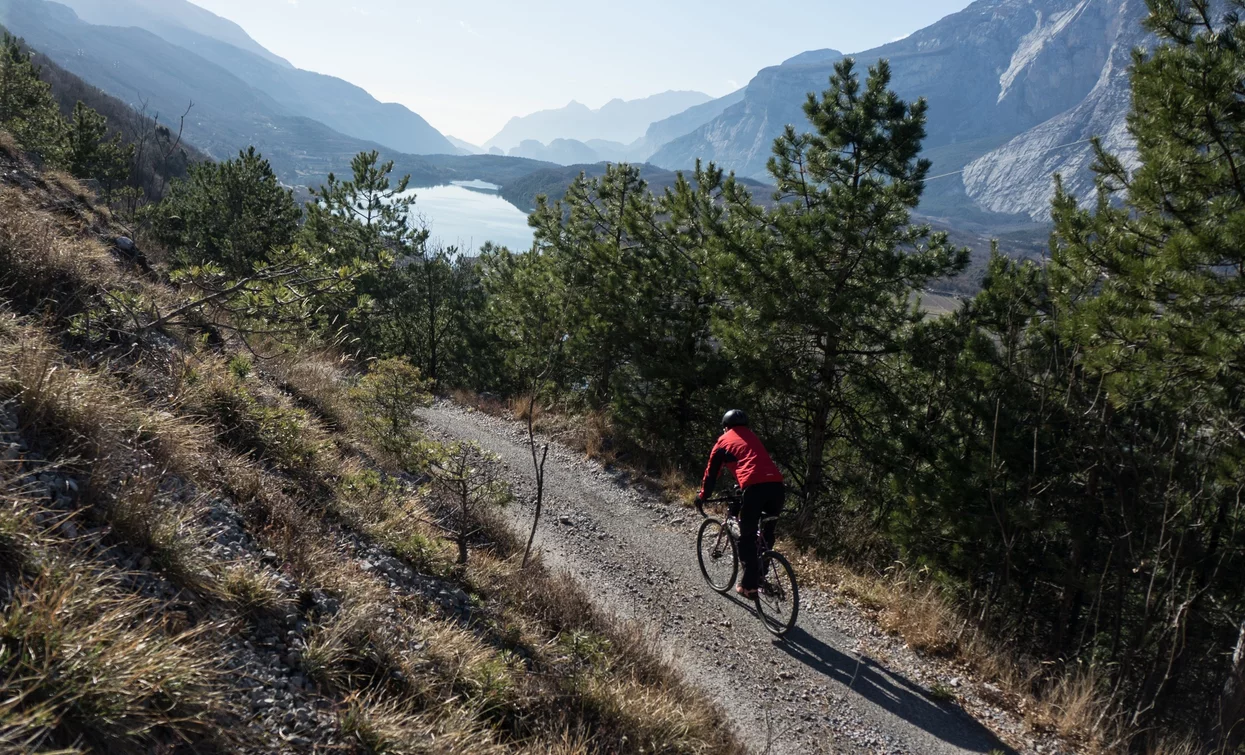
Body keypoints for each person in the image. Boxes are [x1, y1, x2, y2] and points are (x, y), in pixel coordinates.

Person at [696, 409, 785, 598]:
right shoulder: (752, 437)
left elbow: (711, 475)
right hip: (777, 487)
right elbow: (753, 464)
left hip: (755, 488)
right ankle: (760, 574)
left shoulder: (723, 442)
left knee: (747, 537)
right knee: (767, 534)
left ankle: (749, 586)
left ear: (725, 427)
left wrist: (702, 496)